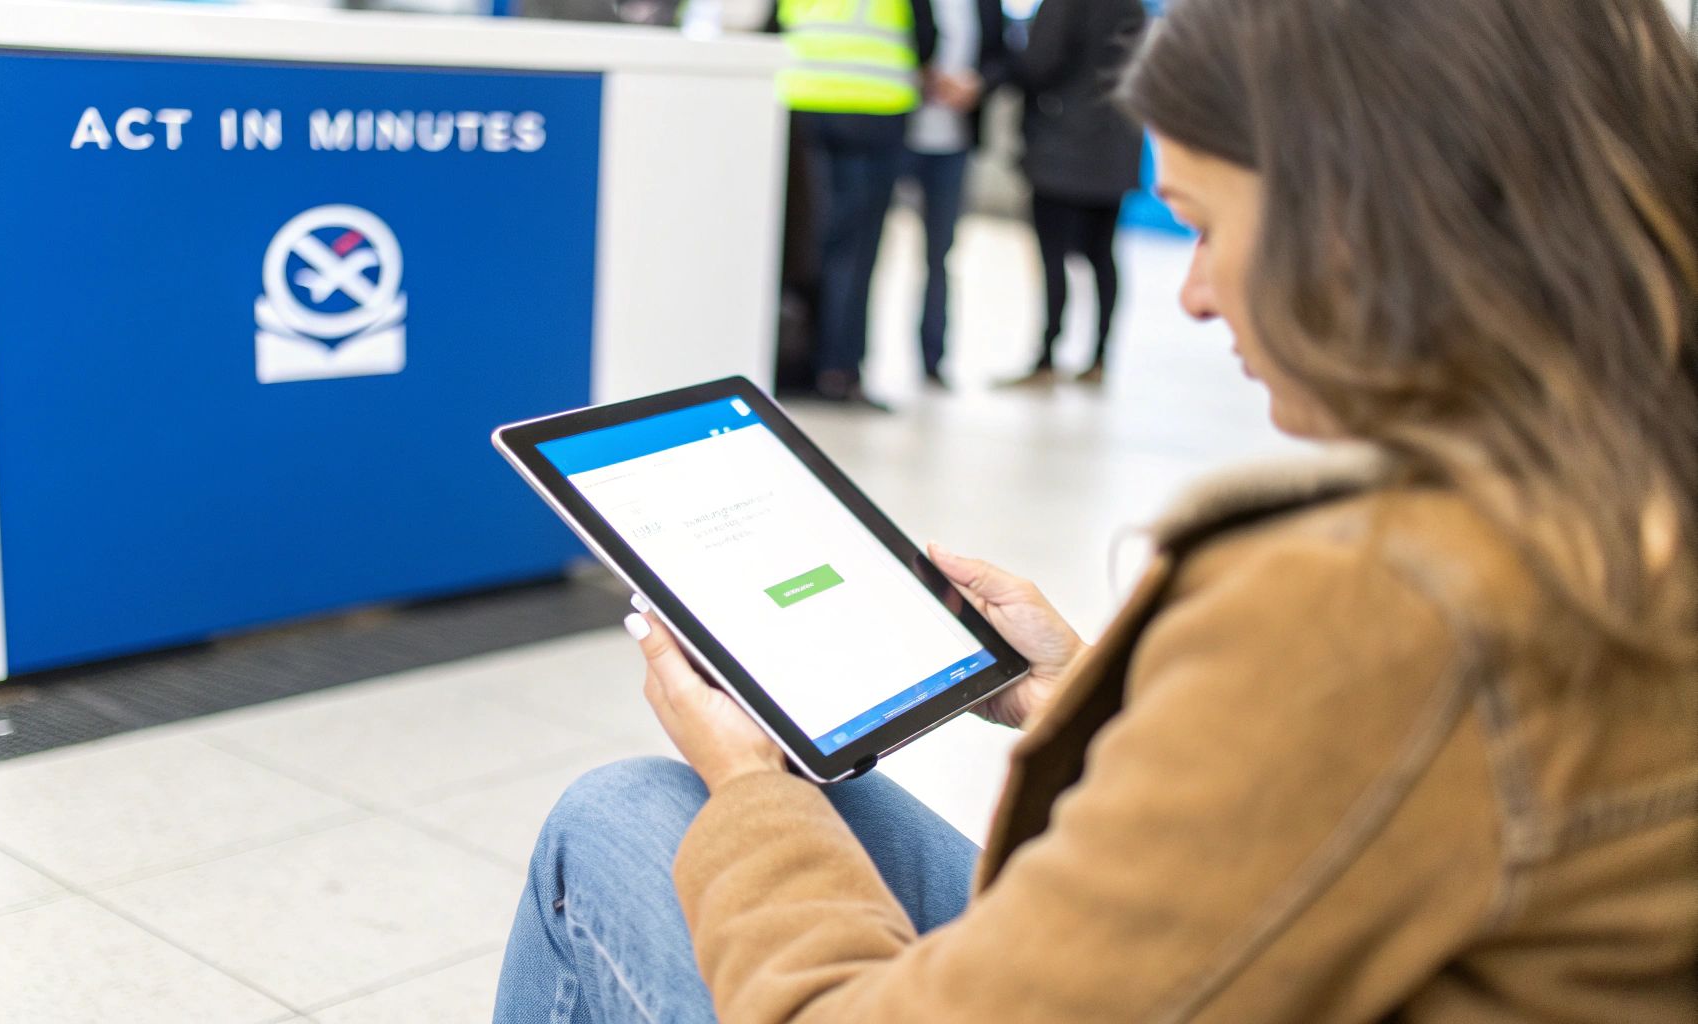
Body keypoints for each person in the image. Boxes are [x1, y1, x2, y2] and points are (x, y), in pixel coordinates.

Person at [495, 0, 1698, 1019]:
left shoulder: (1384, 599)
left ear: (1371, 218)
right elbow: (1325, 811)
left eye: (1206, 224)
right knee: (782, 800)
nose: (1193, 295)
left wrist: (748, 780)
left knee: (620, 820)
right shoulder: (1623, 492)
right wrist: (1066, 688)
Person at [770, 0, 937, 410]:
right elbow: (926, 38)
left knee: (801, 238)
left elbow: (771, 27)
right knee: (855, 250)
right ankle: (838, 371)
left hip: (801, 101)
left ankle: (791, 365)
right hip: (873, 109)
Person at [1004, 0, 1146, 387]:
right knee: (1102, 254)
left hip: (1061, 146)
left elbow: (1039, 64)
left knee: (1052, 256)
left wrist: (1007, 58)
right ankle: (1099, 357)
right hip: (1116, 145)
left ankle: (1047, 357)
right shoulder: (1133, 6)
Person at [899, 0, 1009, 388]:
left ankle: (933, 360)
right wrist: (921, 76)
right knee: (869, 250)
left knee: (940, 254)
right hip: (899, 135)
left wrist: (977, 84)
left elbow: (1001, 57)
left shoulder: (986, 5)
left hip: (954, 142)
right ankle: (849, 363)